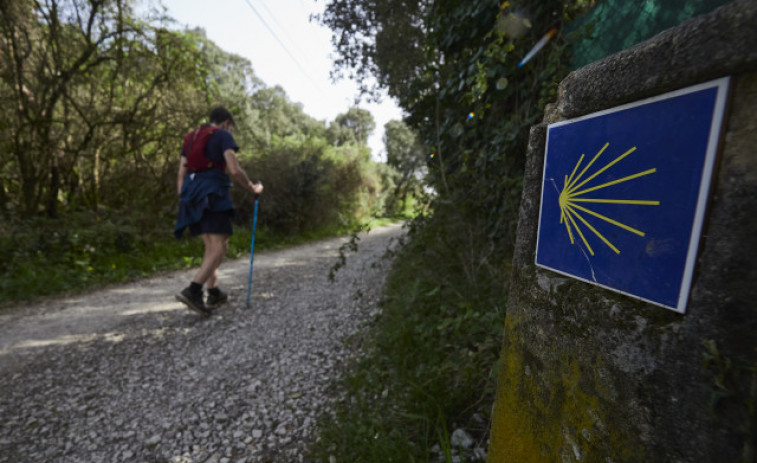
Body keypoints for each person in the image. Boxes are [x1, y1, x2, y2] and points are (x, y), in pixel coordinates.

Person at [174, 106, 263, 316]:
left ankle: (213, 292)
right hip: (213, 194)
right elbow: (233, 168)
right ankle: (193, 290)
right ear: (226, 123)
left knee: (211, 246)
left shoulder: (190, 138)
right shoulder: (222, 135)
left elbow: (181, 172)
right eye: (231, 128)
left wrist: (184, 198)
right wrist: (252, 187)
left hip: (191, 194)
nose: (230, 132)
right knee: (219, 246)